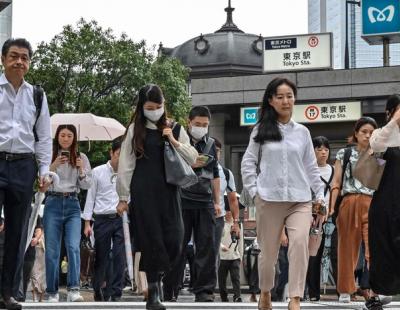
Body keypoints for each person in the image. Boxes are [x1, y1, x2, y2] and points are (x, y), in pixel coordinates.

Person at [241, 77, 325, 310]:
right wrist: (255, 191)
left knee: (299, 244)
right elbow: (248, 162)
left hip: (300, 199)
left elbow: (310, 167)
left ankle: (295, 297)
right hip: (269, 199)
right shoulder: (261, 130)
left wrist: (320, 196)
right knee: (268, 253)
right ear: (271, 100)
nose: (286, 101)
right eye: (280, 96)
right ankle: (265, 291)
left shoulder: (303, 132)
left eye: (289, 96)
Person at [116, 84, 198, 310]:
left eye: (158, 107)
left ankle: (159, 279)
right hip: (143, 191)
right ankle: (153, 291)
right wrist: (123, 196)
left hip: (170, 190)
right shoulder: (135, 129)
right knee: (151, 240)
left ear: (164, 105)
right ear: (142, 107)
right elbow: (126, 164)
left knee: (175, 238)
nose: (154, 111)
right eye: (150, 107)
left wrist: (173, 139)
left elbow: (193, 158)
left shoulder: (176, 128)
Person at [0, 38, 52, 310]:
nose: (19, 61)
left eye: (24, 57)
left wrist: (44, 170)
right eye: (13, 56)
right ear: (3, 59)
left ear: (29, 62)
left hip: (23, 166)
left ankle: (7, 293)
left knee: (18, 233)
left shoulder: (37, 95)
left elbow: (44, 137)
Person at [163, 106, 221, 303]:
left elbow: (214, 174)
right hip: (181, 199)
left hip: (204, 201)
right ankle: (170, 288)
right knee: (176, 246)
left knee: (206, 247)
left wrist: (217, 202)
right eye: (197, 124)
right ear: (189, 122)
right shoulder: (178, 137)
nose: (201, 128)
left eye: (205, 125)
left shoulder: (211, 143)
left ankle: (204, 291)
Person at [330, 117, 378, 304]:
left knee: (374, 248)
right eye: (364, 131)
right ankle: (345, 289)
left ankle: (376, 288)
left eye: (371, 132)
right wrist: (332, 207)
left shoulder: (379, 153)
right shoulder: (345, 153)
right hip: (349, 201)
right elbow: (336, 182)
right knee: (346, 247)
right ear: (356, 133)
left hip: (372, 202)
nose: (367, 135)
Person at [44, 124, 92, 303]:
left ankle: (73, 289)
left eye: (69, 136)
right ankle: (52, 291)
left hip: (72, 204)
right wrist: (52, 166)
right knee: (52, 251)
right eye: (62, 135)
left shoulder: (82, 157)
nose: (65, 139)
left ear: (74, 139)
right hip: (52, 202)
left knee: (73, 246)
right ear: (57, 137)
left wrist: (80, 170)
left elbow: (87, 186)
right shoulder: (50, 156)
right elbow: (42, 183)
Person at [367, 94, 400, 310]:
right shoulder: (382, 134)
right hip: (385, 203)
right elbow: (375, 146)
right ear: (389, 112)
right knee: (381, 248)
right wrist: (394, 122)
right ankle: (375, 294)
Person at [83, 137, 125, 302]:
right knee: (102, 256)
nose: (121, 159)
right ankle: (98, 288)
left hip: (121, 219)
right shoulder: (97, 171)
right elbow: (90, 198)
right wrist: (87, 222)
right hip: (101, 219)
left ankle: (115, 292)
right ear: (112, 153)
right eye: (119, 154)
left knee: (119, 255)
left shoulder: (128, 172)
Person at [305, 136, 334, 301]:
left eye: (326, 149)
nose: (323, 152)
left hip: (329, 218)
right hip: (311, 217)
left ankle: (316, 293)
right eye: (319, 149)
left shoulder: (333, 170)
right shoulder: (308, 170)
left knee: (323, 254)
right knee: (308, 255)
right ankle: (307, 292)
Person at [213, 138, 240, 269]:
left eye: (217, 151)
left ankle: (207, 288)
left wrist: (236, 223)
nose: (214, 153)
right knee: (198, 252)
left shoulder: (226, 173)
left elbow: (233, 199)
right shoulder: (195, 168)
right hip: (197, 214)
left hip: (218, 218)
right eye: (211, 150)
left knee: (213, 254)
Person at [218, 211, 243, 302]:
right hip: (222, 257)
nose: (228, 213)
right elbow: (217, 238)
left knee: (236, 278)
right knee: (222, 280)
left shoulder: (238, 225)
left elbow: (241, 242)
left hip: (235, 256)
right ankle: (224, 297)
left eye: (230, 211)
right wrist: (221, 247)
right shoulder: (221, 224)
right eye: (227, 210)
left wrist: (241, 256)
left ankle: (237, 296)